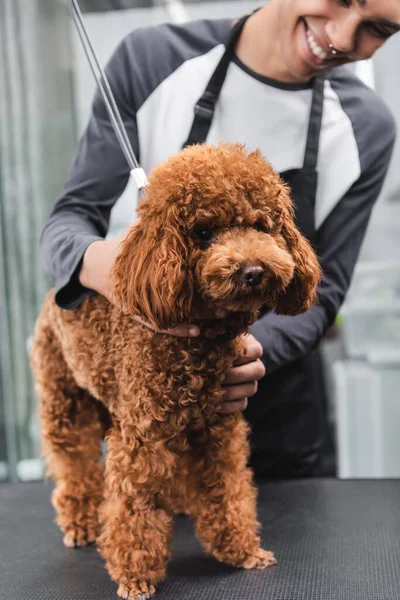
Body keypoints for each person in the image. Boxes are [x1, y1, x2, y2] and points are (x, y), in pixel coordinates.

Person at [40, 0, 398, 478]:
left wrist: (240, 355)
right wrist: (95, 261)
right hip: (153, 392)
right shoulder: (152, 60)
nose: (343, 37)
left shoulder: (367, 126)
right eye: (343, 0)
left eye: (378, 28)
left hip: (274, 414)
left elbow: (325, 291)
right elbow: (67, 221)